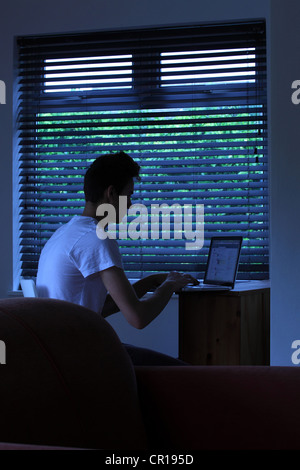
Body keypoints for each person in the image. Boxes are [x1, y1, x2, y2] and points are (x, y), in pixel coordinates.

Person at [36, 151, 198, 365]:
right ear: (111, 194)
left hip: (60, 351)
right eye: (129, 195)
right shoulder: (97, 238)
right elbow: (138, 318)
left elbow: (102, 308)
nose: (131, 205)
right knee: (185, 372)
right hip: (82, 355)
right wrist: (168, 286)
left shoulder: (63, 234)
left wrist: (151, 281)